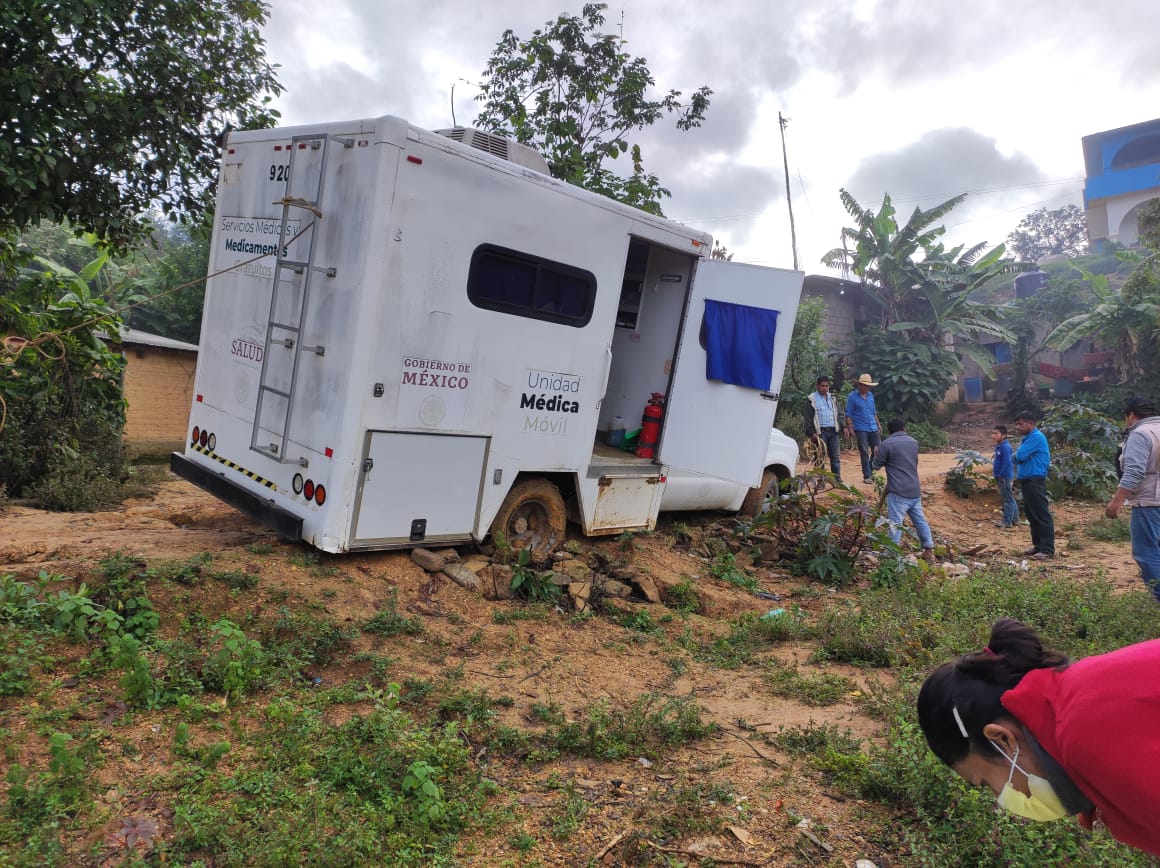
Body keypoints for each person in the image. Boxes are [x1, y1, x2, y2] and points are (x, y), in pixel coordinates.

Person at [917, 618, 1160, 856]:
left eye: (987, 784)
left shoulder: (1084, 733)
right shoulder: (1078, 697)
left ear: (1002, 739)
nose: (1002, 799)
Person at [1104, 395, 1160, 602]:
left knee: (1146, 553)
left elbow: (1134, 472)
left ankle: (1158, 600)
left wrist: (1116, 501)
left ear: (1131, 415)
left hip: (1148, 501)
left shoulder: (1140, 434)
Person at [872, 417, 935, 563]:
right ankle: (929, 551)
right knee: (920, 521)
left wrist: (876, 454)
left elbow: (876, 466)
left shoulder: (886, 444)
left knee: (895, 524)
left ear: (890, 431)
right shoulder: (913, 442)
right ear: (904, 428)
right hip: (914, 489)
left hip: (898, 491)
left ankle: (891, 555)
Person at [1012, 411, 1054, 559]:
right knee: (1032, 514)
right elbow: (1018, 457)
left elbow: (1019, 456)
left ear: (1031, 423)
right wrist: (1018, 457)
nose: (1018, 427)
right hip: (1027, 481)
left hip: (1035, 481)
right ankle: (1038, 546)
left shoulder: (1035, 438)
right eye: (1016, 424)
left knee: (1041, 514)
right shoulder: (1028, 438)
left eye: (1021, 424)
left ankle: (1047, 549)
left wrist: (1018, 456)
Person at [845, 373, 882, 484]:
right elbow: (848, 414)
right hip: (861, 428)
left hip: (873, 427)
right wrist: (850, 428)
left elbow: (874, 412)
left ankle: (871, 470)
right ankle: (867, 475)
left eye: (868, 385)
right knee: (864, 452)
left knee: (878, 450)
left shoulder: (870, 396)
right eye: (865, 385)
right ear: (860, 385)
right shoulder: (852, 397)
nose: (867, 387)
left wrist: (878, 424)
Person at [804, 375, 843, 480]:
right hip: (820, 432)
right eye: (822, 386)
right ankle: (820, 480)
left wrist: (843, 427)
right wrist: (811, 433)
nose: (825, 388)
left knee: (835, 457)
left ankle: (837, 479)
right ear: (817, 386)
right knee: (820, 457)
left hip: (833, 431)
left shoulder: (833, 398)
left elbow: (839, 413)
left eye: (826, 386)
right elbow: (808, 417)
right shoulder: (811, 399)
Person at [992, 425, 1018, 528]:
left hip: (1004, 477)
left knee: (1007, 500)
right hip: (1002, 476)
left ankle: (1007, 522)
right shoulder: (1000, 446)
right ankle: (1015, 519)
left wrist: (1001, 476)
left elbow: (1008, 463)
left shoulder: (1005, 447)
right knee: (1009, 498)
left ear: (1003, 435)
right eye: (992, 433)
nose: (993, 436)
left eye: (996, 434)